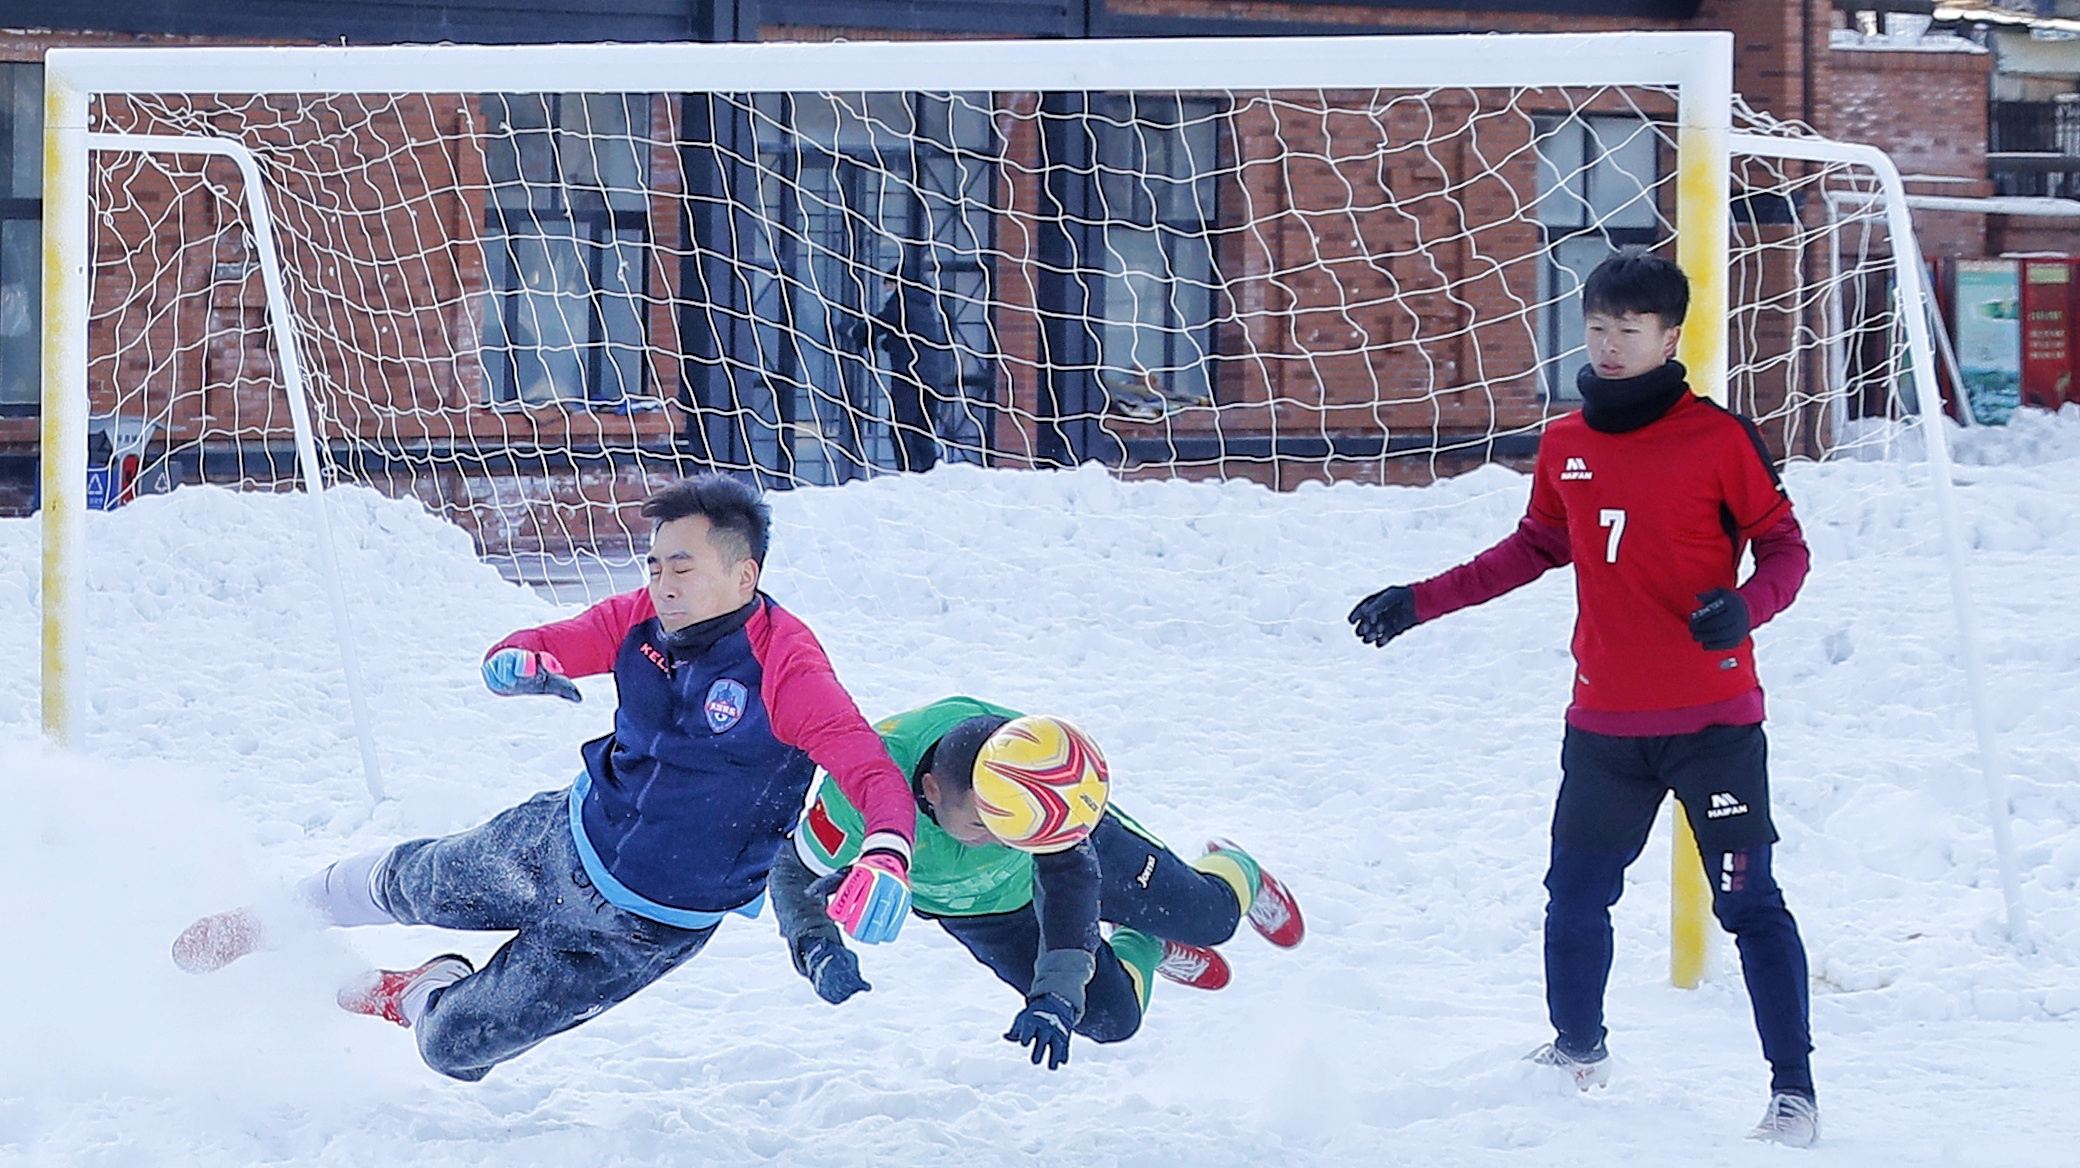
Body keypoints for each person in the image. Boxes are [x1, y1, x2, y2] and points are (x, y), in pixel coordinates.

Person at [172, 474, 917, 1081]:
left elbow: (869, 768)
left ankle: (414, 989)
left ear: (743, 572)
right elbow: (554, 640)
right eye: (654, 565)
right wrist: (519, 657)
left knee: (452, 1049)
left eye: (682, 567)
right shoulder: (639, 620)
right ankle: (269, 916)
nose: (661, 583)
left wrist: (887, 850)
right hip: (561, 840)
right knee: (413, 882)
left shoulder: (787, 669)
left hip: (643, 931)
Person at [1347, 251, 1820, 1147]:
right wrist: (1420, 601)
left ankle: (1793, 1093)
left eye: (1627, 332)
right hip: (1604, 727)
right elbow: (1530, 549)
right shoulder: (1564, 443)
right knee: (1574, 894)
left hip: (1716, 727)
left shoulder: (1719, 439)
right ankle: (1577, 1050)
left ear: (1671, 337)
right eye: (1596, 328)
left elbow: (1787, 549)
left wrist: (1746, 608)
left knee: (1750, 906)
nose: (1606, 346)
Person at [767, 696, 1304, 1070]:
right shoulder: (857, 792)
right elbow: (790, 870)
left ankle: (1239, 869)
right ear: (931, 789)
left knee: (1214, 919)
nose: (997, 842)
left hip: (1072, 842)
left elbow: (1068, 878)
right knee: (1112, 1020)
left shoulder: (1029, 767)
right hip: (983, 912)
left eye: (1011, 831)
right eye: (983, 826)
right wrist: (815, 945)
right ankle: (1144, 941)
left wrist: (1055, 992)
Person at [851, 268, 955, 473]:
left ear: (898, 283)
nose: (886, 291)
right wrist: (890, 344)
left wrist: (853, 332)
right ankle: (929, 473)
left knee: (899, 429)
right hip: (932, 380)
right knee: (923, 432)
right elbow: (911, 337)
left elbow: (876, 326)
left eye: (888, 285)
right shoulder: (925, 306)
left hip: (909, 377)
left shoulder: (900, 304)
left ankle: (908, 473)